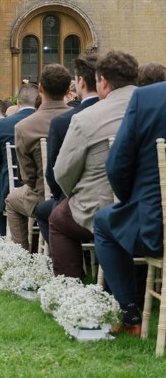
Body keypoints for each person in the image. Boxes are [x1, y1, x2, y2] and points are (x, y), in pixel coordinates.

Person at [50, 50, 139, 279]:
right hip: (153, 205)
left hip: (104, 206)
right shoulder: (153, 108)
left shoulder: (86, 117)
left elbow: (63, 172)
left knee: (58, 217)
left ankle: (72, 286)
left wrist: (74, 193)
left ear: (104, 82)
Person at [93, 81, 166, 335]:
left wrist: (129, 201)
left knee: (103, 222)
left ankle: (131, 318)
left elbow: (116, 165)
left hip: (156, 226)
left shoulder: (147, 98)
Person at [34, 54, 100, 243]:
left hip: (77, 201)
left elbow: (55, 174)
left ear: (80, 82)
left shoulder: (63, 122)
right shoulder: (122, 114)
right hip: (119, 199)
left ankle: (63, 266)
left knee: (49, 212)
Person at [5, 63, 71, 250]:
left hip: (43, 194)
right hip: (78, 194)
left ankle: (23, 254)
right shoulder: (80, 117)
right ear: (68, 90)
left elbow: (28, 178)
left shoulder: (24, 126)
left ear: (40, 88)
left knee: (11, 199)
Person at [0, 82, 38, 235]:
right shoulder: (49, 121)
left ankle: (2, 238)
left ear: (18, 103)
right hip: (46, 187)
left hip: (10, 185)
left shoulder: (2, 125)